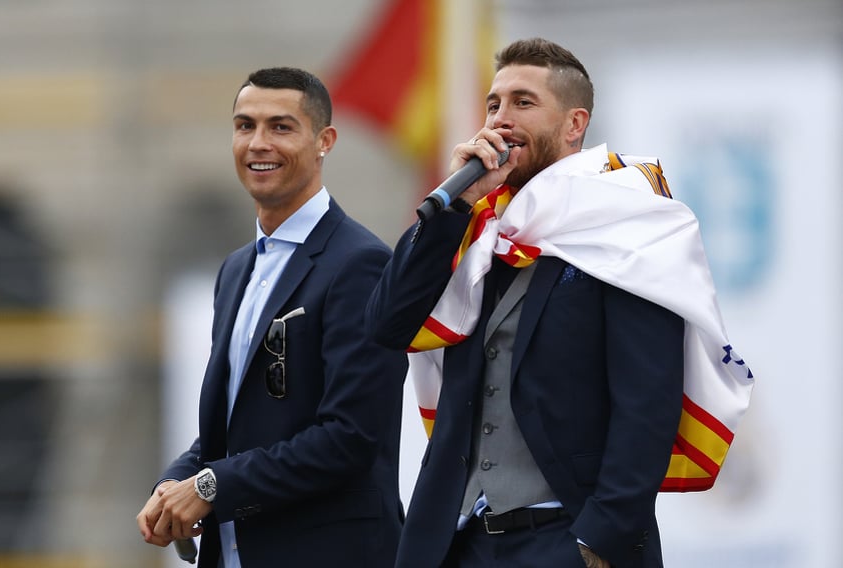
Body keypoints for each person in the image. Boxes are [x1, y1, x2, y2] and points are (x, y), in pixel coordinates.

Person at [366, 37, 732, 568]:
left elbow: (647, 401)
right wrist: (455, 208)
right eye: (493, 104)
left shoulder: (628, 225)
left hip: (567, 540)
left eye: (523, 102)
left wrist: (597, 542)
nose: (501, 118)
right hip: (458, 542)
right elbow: (386, 325)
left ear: (574, 125)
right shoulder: (477, 230)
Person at [137, 67, 407, 567]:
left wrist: (212, 486)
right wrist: (175, 482)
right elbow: (239, 425)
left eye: (281, 127)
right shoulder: (236, 269)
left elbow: (351, 435)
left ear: (324, 140)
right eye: (245, 126)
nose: (258, 143)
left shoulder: (361, 264)